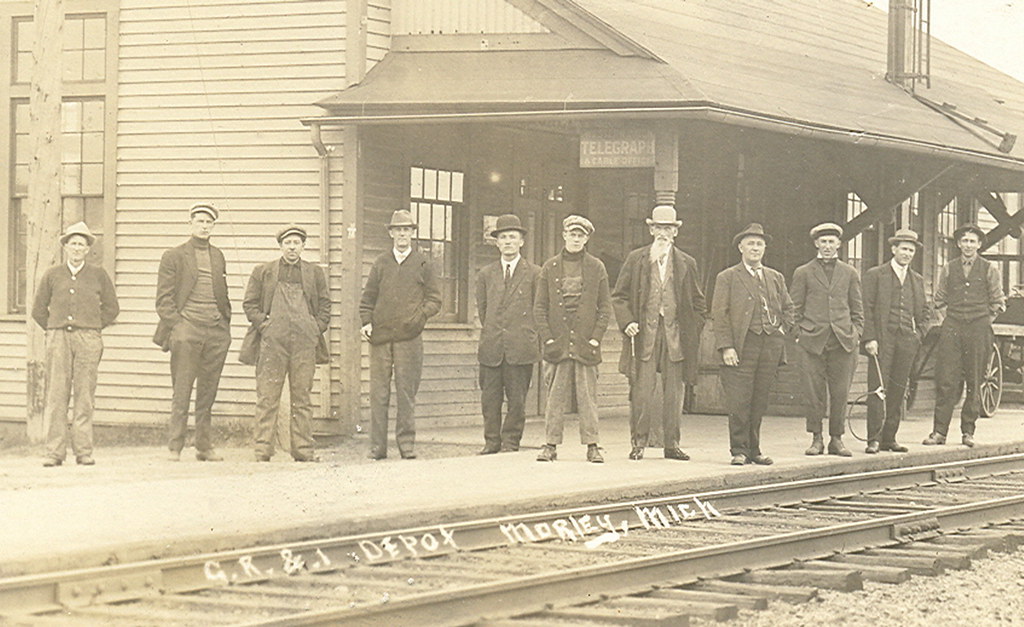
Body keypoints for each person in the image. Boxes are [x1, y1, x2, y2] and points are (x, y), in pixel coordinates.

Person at [612, 205, 706, 461]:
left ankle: (671, 445)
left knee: (674, 394)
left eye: (669, 228)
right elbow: (619, 296)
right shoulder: (636, 259)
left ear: (675, 233)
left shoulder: (687, 262)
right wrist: (627, 321)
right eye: (659, 228)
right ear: (651, 229)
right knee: (642, 391)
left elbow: (699, 304)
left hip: (676, 338)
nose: (663, 233)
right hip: (646, 336)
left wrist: (692, 330)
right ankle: (638, 444)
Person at [242, 225, 331, 462]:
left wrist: (315, 328)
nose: (292, 247)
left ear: (303, 246)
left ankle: (303, 451)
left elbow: (325, 306)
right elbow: (249, 305)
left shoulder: (314, 273)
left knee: (302, 398)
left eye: (297, 243)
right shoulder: (264, 272)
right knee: (267, 397)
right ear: (281, 245)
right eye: (288, 243)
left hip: (304, 344)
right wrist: (265, 326)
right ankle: (262, 450)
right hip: (273, 344)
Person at [33, 222, 119, 467]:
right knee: (57, 395)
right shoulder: (52, 275)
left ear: (88, 248)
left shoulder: (98, 275)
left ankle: (83, 451)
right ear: (66, 246)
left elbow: (112, 309)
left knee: (84, 395)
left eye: (82, 243)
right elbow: (39, 310)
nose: (77, 248)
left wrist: (92, 326)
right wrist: (54, 329)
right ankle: (54, 452)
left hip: (88, 340)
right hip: (58, 338)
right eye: (73, 243)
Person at [359, 209, 442, 460]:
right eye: (398, 230)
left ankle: (407, 446)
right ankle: (377, 448)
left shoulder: (424, 263)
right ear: (391, 233)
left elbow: (435, 300)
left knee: (406, 392)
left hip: (410, 338)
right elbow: (367, 299)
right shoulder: (381, 263)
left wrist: (418, 318)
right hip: (381, 338)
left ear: (412, 233)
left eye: (406, 230)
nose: (402, 234)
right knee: (379, 393)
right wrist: (366, 322)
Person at [712, 223, 795, 466]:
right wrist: (727, 346)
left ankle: (755, 449)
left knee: (759, 399)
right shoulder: (727, 277)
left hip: (770, 345)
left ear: (765, 248)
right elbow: (720, 314)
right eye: (750, 243)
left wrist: (782, 329)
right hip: (741, 345)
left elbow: (789, 308)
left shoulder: (775, 277)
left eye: (759, 244)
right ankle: (739, 450)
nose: (755, 248)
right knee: (740, 399)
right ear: (741, 247)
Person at [154, 203, 232, 462]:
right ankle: (174, 447)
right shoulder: (174, 256)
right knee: (182, 389)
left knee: (208, 392)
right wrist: (178, 325)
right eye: (199, 221)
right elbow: (163, 299)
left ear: (213, 226)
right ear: (191, 223)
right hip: (187, 330)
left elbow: (223, 294)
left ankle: (203, 446)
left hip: (215, 331)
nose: (204, 226)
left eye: (209, 222)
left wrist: (224, 323)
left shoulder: (218, 255)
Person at [534, 214, 612, 463]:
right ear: (564, 235)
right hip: (557, 342)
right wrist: (547, 338)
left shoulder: (596, 267)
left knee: (587, 396)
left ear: (587, 238)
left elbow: (604, 308)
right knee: (555, 396)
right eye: (572, 234)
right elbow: (539, 308)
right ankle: (550, 445)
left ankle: (592, 445)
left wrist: (595, 338)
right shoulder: (550, 267)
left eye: (581, 235)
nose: (576, 239)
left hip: (585, 342)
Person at [926, 223, 1006, 448]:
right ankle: (939, 432)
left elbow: (998, 302)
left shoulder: (989, 268)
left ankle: (968, 432)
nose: (968, 245)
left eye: (973, 241)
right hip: (952, 327)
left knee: (974, 380)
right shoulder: (949, 268)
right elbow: (939, 299)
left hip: (979, 328)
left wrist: (982, 321)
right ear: (959, 244)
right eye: (965, 241)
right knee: (946, 380)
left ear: (979, 245)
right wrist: (946, 321)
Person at [790, 222, 864, 457]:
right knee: (813, 393)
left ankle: (837, 439)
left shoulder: (850, 272)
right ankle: (816, 438)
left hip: (843, 341)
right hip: (812, 341)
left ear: (839, 245)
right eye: (823, 242)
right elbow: (794, 308)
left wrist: (856, 333)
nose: (827, 246)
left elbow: (858, 308)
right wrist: (799, 334)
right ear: (816, 244)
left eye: (832, 242)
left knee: (840, 392)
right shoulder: (803, 272)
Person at [861, 229, 932, 454]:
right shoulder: (875, 275)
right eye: (903, 248)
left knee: (898, 390)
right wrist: (870, 338)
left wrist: (918, 335)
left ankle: (889, 438)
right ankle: (873, 438)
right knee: (877, 389)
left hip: (906, 342)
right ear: (893, 249)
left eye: (911, 250)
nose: (907, 253)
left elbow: (924, 312)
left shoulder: (917, 280)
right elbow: (866, 309)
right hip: (881, 341)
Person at [475, 214, 540, 454]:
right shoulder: (486, 274)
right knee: (489, 399)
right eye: (503, 237)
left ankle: (511, 442)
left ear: (521, 241)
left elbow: (538, 309)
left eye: (513, 237)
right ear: (497, 243)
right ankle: (491, 442)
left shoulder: (535, 273)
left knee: (517, 400)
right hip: (492, 347)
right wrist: (496, 331)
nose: (508, 242)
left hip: (520, 347)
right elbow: (484, 310)